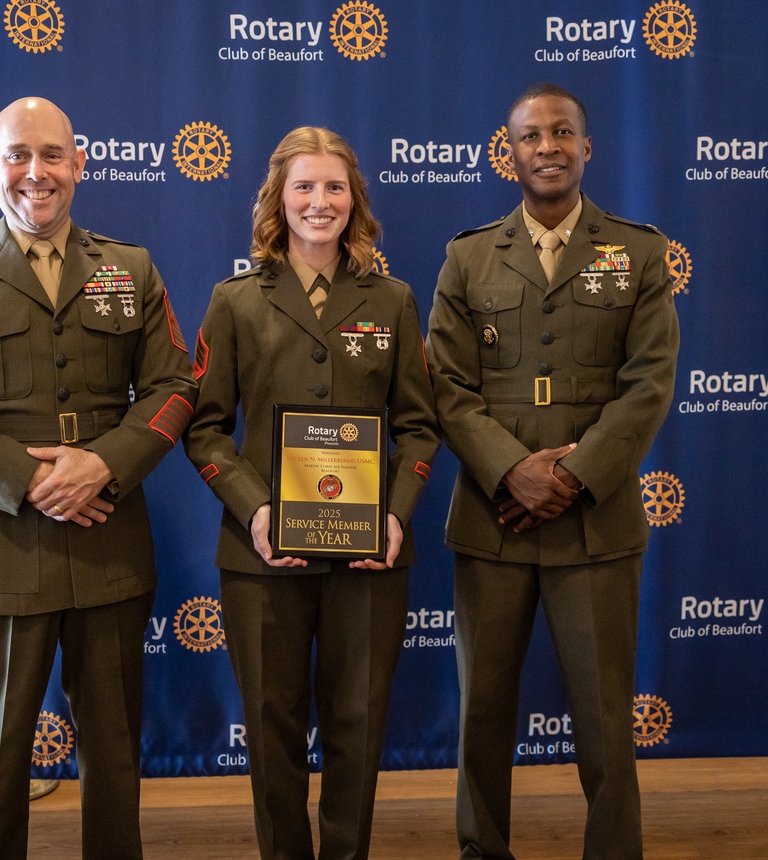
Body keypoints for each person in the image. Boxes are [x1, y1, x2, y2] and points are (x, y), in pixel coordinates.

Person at [0, 96, 197, 859]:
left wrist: (104, 463)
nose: (36, 172)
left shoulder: (131, 268)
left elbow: (174, 388)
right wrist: (24, 479)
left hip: (108, 543)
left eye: (52, 154)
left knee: (114, 757)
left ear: (79, 164)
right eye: (17, 155)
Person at [425, 83, 679, 860]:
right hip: (493, 520)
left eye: (563, 133)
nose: (548, 148)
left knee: (604, 715)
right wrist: (513, 472)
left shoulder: (638, 252)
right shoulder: (468, 257)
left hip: (595, 522)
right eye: (531, 136)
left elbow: (649, 383)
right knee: (482, 713)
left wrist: (572, 477)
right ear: (509, 154)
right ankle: (482, 850)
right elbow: (446, 388)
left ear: (587, 147)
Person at [184, 126, 440, 859]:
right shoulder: (235, 300)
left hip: (369, 555)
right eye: (304, 186)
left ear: (354, 198)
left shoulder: (392, 300)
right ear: (279, 198)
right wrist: (256, 509)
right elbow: (204, 429)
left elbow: (419, 428)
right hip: (262, 554)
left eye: (334, 186)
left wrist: (395, 515)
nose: (319, 201)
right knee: (272, 730)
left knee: (359, 725)